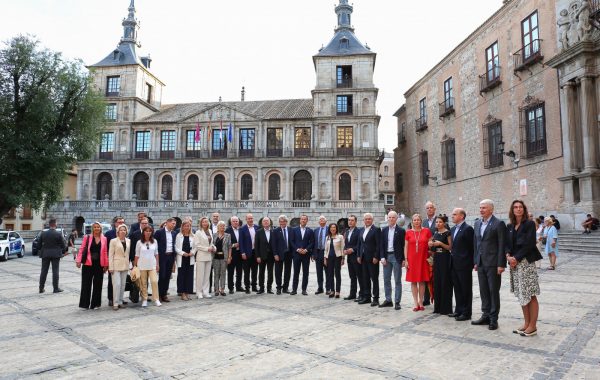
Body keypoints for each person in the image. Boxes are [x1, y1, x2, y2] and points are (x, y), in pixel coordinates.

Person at [506, 200, 542, 337]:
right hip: (514, 263)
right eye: (515, 207)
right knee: (521, 293)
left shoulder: (529, 224)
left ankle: (533, 326)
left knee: (530, 293)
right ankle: (526, 323)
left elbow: (529, 244)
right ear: (512, 210)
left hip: (526, 262)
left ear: (524, 209)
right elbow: (506, 244)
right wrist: (508, 255)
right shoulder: (510, 226)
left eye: (521, 207)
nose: (518, 209)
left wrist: (516, 258)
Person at [472, 199, 507, 331]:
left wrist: (501, 264)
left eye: (484, 208)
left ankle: (493, 319)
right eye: (480, 208)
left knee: (493, 291)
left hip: (493, 264)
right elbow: (476, 244)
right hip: (481, 263)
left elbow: (501, 245)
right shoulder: (477, 223)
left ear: (491, 209)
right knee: (483, 290)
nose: (481, 210)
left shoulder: (498, 224)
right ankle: (485, 315)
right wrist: (475, 261)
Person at [449, 208, 474, 321]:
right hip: (454, 264)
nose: (452, 216)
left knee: (466, 289)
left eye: (455, 214)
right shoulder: (453, 229)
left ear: (462, 216)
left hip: (464, 265)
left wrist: (472, 263)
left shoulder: (468, 229)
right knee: (457, 288)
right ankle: (458, 310)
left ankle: (466, 312)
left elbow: (472, 247)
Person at [76, 222, 108, 309]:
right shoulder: (87, 237)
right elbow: (82, 249)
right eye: (95, 227)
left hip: (99, 264)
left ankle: (95, 304)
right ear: (92, 228)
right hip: (88, 263)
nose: (97, 228)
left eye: (98, 227)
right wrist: (78, 260)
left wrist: (106, 264)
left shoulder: (104, 239)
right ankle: (84, 304)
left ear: (101, 228)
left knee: (98, 284)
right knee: (86, 284)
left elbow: (105, 252)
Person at [405, 214, 432, 311]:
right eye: (415, 220)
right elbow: (406, 247)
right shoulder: (408, 232)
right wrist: (406, 260)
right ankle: (415, 303)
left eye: (418, 220)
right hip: (412, 260)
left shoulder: (426, 231)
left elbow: (431, 244)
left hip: (423, 259)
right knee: (413, 281)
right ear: (412, 221)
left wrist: (430, 246)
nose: (416, 222)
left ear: (421, 221)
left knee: (421, 281)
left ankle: (421, 301)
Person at [379, 211, 405, 310]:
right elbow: (381, 244)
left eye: (393, 217)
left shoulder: (401, 231)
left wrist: (403, 259)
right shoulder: (384, 230)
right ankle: (388, 300)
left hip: (396, 257)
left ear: (396, 218)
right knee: (386, 279)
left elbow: (403, 246)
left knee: (397, 280)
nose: (391, 219)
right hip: (386, 257)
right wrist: (382, 257)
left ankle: (397, 301)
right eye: (389, 217)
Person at [429, 216, 453, 315]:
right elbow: (432, 249)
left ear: (444, 223)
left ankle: (446, 308)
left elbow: (450, 247)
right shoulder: (435, 233)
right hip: (437, 258)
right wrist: (430, 244)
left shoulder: (448, 233)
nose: (438, 224)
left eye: (440, 222)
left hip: (445, 258)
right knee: (437, 282)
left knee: (445, 282)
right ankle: (437, 307)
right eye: (436, 222)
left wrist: (440, 244)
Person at [357, 213, 381, 307]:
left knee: (374, 278)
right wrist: (359, 255)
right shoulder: (361, 230)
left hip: (372, 258)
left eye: (369, 219)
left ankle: (375, 298)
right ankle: (367, 297)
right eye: (366, 219)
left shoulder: (376, 230)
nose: (367, 220)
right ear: (363, 220)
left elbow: (378, 245)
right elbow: (360, 244)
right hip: (363, 258)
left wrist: (376, 256)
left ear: (372, 220)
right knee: (365, 278)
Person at [134, 226, 161, 307]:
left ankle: (156, 299)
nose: (148, 232)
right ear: (144, 232)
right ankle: (144, 299)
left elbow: (156, 254)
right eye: (146, 231)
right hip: (142, 265)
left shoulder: (154, 241)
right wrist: (135, 266)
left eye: (150, 231)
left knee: (154, 281)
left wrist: (157, 264)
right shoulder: (139, 242)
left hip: (152, 265)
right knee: (143, 283)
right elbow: (137, 255)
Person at [38, 218, 67, 294]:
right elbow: (64, 246)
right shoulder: (58, 234)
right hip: (56, 254)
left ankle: (41, 288)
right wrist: (61, 250)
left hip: (45, 254)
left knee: (44, 271)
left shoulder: (43, 233)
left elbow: (38, 245)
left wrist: (43, 249)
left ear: (49, 224)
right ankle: (55, 288)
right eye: (56, 223)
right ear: (55, 224)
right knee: (55, 271)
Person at [154, 218, 177, 302]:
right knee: (162, 276)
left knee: (167, 276)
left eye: (175, 224)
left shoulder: (174, 233)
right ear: (167, 223)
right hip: (162, 257)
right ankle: (159, 294)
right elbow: (155, 244)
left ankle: (164, 294)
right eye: (173, 223)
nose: (174, 225)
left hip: (170, 256)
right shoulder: (159, 232)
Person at [290, 214, 314, 295]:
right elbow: (291, 241)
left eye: (305, 219)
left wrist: (306, 250)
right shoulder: (294, 230)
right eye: (302, 219)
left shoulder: (310, 231)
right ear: (300, 220)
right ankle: (294, 289)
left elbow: (312, 242)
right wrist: (297, 249)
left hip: (306, 255)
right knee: (296, 272)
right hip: (296, 254)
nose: (303, 220)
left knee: (305, 272)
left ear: (307, 221)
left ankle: (304, 289)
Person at [109, 224, 131, 310]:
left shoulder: (129, 241)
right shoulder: (113, 241)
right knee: (116, 285)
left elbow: (128, 254)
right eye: (121, 230)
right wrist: (110, 266)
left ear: (126, 231)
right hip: (116, 265)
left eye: (124, 230)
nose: (123, 231)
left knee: (122, 285)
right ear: (118, 231)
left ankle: (121, 301)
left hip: (125, 265)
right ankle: (115, 303)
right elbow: (110, 254)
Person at [105, 216, 125, 306]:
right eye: (119, 222)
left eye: (122, 222)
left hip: (123, 262)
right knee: (112, 281)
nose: (121, 224)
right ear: (115, 223)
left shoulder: (125, 233)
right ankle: (111, 298)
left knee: (121, 282)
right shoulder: (109, 234)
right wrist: (108, 263)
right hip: (113, 261)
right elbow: (106, 249)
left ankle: (119, 299)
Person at [193, 217, 215, 298]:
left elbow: (211, 243)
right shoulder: (198, 232)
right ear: (201, 223)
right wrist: (207, 249)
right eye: (203, 222)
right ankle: (199, 292)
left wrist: (213, 247)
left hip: (209, 256)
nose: (205, 223)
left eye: (206, 222)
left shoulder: (210, 231)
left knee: (207, 275)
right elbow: (197, 245)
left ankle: (205, 291)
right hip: (201, 256)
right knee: (200, 275)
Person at [343, 215, 362, 301]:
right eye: (349, 220)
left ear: (355, 222)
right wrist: (345, 250)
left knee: (359, 276)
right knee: (352, 276)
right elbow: (345, 243)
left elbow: (360, 244)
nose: (350, 222)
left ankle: (361, 294)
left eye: (352, 220)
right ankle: (352, 294)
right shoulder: (346, 231)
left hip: (356, 256)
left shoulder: (359, 231)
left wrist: (353, 250)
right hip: (349, 257)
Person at [272, 215, 293, 294]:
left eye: (283, 221)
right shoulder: (275, 231)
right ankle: (278, 288)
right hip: (279, 254)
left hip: (289, 254)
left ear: (286, 222)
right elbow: (273, 244)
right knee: (278, 272)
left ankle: (285, 288)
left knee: (287, 271)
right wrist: (275, 254)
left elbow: (292, 242)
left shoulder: (291, 230)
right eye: (280, 221)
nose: (282, 223)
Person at [175, 220, 195, 301]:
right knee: (182, 276)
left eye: (188, 226)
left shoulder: (193, 236)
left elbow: (196, 246)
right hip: (182, 257)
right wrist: (183, 253)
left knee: (189, 276)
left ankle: (187, 292)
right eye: (185, 226)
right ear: (182, 227)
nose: (187, 227)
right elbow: (175, 247)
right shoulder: (178, 235)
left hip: (190, 257)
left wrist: (192, 252)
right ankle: (182, 293)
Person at [239, 213, 259, 293]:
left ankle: (254, 286)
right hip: (246, 253)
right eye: (249, 218)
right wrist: (242, 253)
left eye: (251, 218)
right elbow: (241, 242)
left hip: (255, 253)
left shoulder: (257, 228)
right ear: (246, 219)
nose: (250, 220)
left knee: (255, 271)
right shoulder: (242, 229)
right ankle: (247, 287)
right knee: (246, 272)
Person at [255, 217, 275, 294]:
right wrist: (258, 256)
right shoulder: (258, 232)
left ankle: (269, 288)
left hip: (271, 256)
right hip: (261, 256)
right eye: (264, 221)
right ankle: (261, 288)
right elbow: (256, 245)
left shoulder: (274, 231)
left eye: (267, 221)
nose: (266, 222)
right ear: (262, 223)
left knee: (270, 272)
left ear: (270, 222)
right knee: (261, 272)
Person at [422, 201, 437, 305]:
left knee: (435, 276)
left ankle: (436, 297)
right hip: (426, 253)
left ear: (434, 209)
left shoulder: (440, 220)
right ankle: (426, 298)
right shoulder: (424, 222)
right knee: (426, 274)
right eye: (427, 208)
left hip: (436, 252)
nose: (429, 209)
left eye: (431, 207)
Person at [324, 222, 344, 298]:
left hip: (337, 257)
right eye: (331, 227)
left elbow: (342, 248)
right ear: (329, 229)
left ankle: (338, 291)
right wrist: (325, 258)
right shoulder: (327, 237)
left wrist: (343, 258)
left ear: (336, 228)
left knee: (337, 274)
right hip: (329, 258)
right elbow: (325, 249)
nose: (333, 229)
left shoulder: (340, 237)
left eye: (334, 227)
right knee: (330, 274)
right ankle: (332, 290)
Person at [213, 221, 231, 296]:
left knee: (223, 273)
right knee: (216, 274)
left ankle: (222, 289)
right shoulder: (214, 235)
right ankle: (217, 290)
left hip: (224, 257)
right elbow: (212, 245)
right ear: (218, 227)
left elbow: (230, 247)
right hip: (216, 257)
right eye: (221, 226)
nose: (222, 227)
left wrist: (229, 257)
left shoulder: (228, 235)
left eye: (224, 226)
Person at [226, 216, 243, 294]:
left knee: (239, 271)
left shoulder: (241, 229)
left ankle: (238, 286)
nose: (236, 222)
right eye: (234, 221)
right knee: (231, 271)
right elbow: (225, 244)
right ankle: (231, 287)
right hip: (232, 254)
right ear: (231, 222)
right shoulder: (227, 230)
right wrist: (233, 245)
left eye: (237, 221)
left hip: (240, 254)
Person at [312, 216, 328, 295]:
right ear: (318, 222)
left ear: (326, 221)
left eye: (323, 220)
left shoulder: (329, 229)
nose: (321, 221)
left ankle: (328, 288)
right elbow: (313, 243)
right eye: (320, 220)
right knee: (319, 272)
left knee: (328, 272)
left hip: (326, 253)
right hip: (318, 253)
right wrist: (313, 254)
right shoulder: (315, 230)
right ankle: (320, 288)